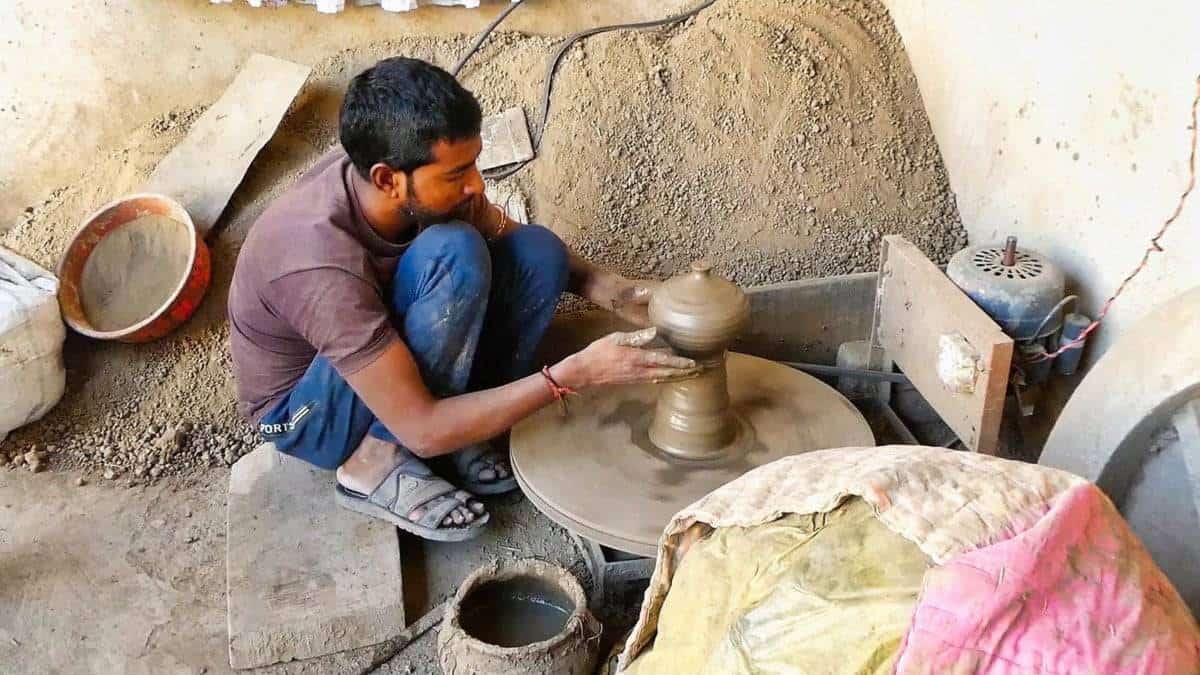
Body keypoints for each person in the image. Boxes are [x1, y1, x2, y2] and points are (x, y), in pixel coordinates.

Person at [228, 57, 697, 541]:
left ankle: (464, 424)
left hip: (377, 349)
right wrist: (571, 376)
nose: (476, 183)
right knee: (453, 253)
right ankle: (373, 463)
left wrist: (612, 290)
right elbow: (421, 427)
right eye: (457, 174)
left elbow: (505, 231)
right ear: (388, 179)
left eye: (473, 163)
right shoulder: (315, 262)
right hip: (308, 414)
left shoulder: (413, 180)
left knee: (539, 253)